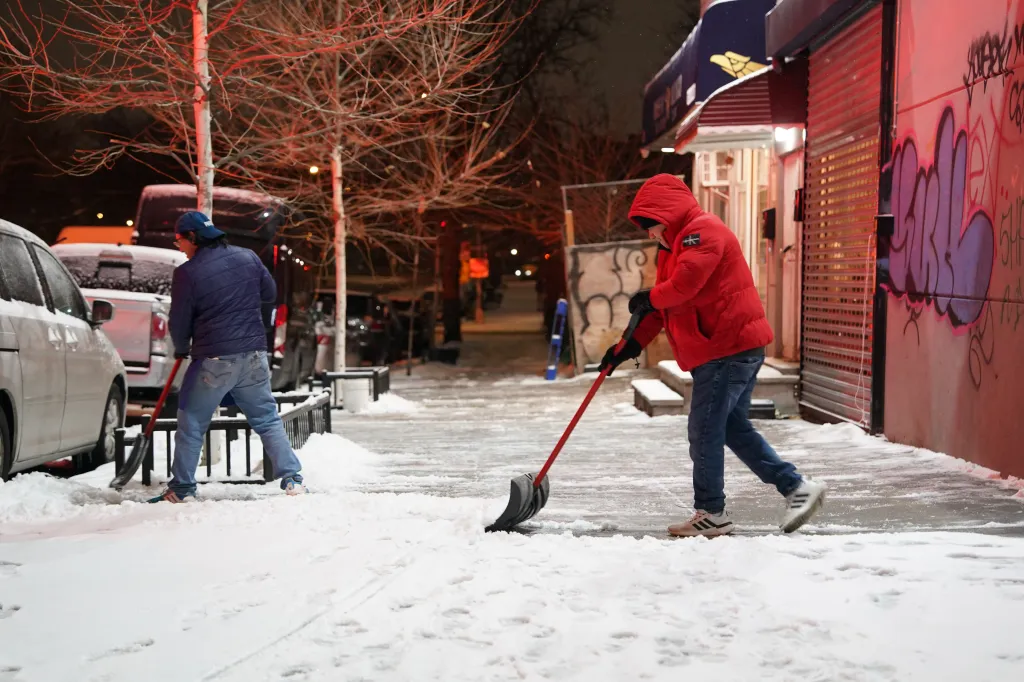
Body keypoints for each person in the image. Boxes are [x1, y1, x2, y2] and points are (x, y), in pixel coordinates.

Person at [599, 174, 824, 537]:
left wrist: (650, 297)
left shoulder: (702, 232)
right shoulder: (674, 247)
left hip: (727, 348)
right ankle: (795, 487)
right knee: (731, 428)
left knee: (704, 428)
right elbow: (662, 305)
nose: (649, 234)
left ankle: (711, 511)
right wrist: (627, 346)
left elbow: (684, 287)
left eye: (650, 224)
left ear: (666, 214)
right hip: (726, 347)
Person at [149, 211, 306, 502]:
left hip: (215, 359)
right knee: (267, 418)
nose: (179, 247)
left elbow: (179, 319)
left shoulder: (187, 273)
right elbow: (270, 293)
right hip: (255, 354)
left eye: (179, 241)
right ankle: (292, 479)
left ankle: (181, 488)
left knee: (192, 421)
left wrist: (181, 346)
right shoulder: (248, 257)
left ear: (193, 237)